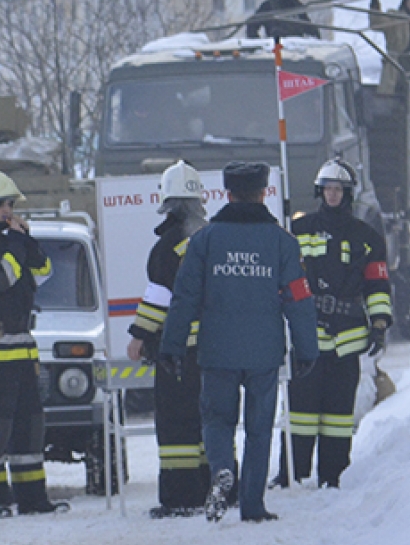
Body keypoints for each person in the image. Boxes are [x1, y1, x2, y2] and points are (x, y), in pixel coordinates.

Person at [158, 161, 318, 523]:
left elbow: (184, 298)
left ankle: (220, 470)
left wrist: (172, 346)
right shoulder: (282, 242)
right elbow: (299, 298)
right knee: (259, 428)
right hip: (264, 351)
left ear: (227, 195)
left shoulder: (205, 240)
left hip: (217, 349)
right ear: (263, 194)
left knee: (216, 420)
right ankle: (253, 505)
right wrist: (307, 349)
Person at [284, 159, 393, 488]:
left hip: (348, 335)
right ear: (320, 191)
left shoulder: (367, 236)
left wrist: (380, 322)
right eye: (327, 189)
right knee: (300, 412)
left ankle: (334, 475)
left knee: (338, 414)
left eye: (338, 189)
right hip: (308, 334)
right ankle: (293, 473)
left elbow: (377, 285)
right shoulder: (298, 231)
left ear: (348, 193)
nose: (332, 195)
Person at [0, 171, 64, 516]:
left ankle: (33, 498)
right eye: (5, 205)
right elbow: (1, 278)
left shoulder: (11, 244)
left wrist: (28, 241)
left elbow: (43, 272)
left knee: (29, 426)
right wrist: (16, 245)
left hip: (22, 350)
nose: (10, 211)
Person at [126, 161, 211, 516]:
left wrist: (138, 338)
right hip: (212, 352)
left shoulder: (168, 247)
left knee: (176, 424)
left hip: (178, 353)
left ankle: (179, 497)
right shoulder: (210, 239)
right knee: (208, 420)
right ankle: (213, 489)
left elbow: (159, 298)